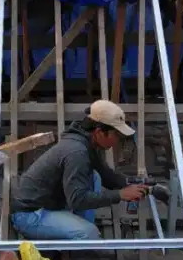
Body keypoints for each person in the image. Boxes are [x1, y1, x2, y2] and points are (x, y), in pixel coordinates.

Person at [10, 100, 148, 241]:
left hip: (49, 204)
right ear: (99, 132)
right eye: (116, 135)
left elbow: (105, 175)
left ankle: (74, 226)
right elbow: (78, 200)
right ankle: (68, 246)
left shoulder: (86, 142)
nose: (117, 140)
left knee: (95, 176)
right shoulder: (77, 152)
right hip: (30, 215)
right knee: (89, 234)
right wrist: (120, 195)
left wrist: (130, 183)